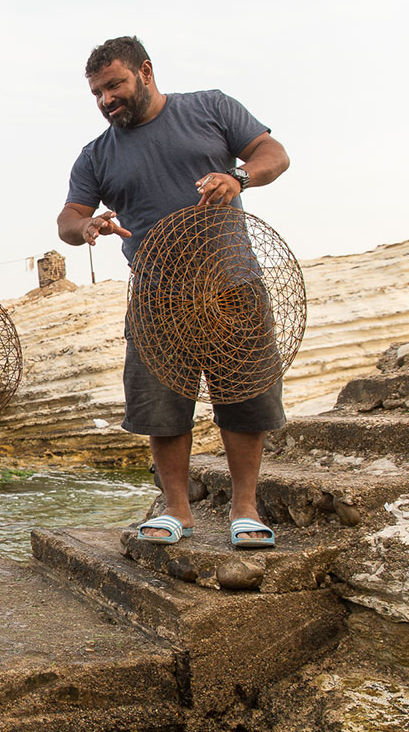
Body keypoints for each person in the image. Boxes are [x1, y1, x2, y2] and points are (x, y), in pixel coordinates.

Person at [57, 36, 290, 548]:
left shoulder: (211, 107)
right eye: (96, 92)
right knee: (162, 406)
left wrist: (239, 178)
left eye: (114, 85)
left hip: (232, 285)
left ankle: (245, 509)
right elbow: (67, 220)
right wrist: (87, 226)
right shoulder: (96, 154)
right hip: (156, 297)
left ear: (145, 71)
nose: (105, 100)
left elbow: (274, 154)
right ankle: (176, 510)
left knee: (245, 397)